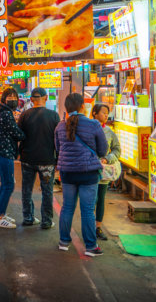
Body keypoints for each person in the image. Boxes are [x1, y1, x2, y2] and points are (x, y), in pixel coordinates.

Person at [55, 93, 108, 257]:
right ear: (82, 106)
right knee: (87, 211)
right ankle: (91, 246)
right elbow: (103, 150)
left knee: (67, 207)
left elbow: (58, 149)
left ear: (66, 108)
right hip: (88, 174)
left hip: (68, 174)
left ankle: (64, 241)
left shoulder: (60, 126)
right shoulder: (93, 124)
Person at [17, 87, 61, 228]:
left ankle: (28, 217)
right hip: (47, 160)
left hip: (27, 159)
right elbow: (58, 139)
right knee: (47, 190)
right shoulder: (54, 116)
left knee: (27, 189)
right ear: (46, 98)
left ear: (31, 100)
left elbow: (19, 136)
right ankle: (47, 221)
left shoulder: (24, 115)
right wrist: (58, 158)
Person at [0, 88, 26, 228]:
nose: (13, 99)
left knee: (6, 185)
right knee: (8, 185)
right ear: (4, 99)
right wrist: (24, 133)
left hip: (1, 152)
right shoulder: (6, 114)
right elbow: (17, 134)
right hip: (3, 153)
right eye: (9, 96)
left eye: (14, 96)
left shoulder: (3, 112)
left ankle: (1, 214)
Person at [91, 104, 121, 241]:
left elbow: (117, 150)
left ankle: (98, 227)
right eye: (103, 112)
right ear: (94, 113)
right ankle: (89, 226)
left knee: (101, 199)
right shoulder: (87, 129)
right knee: (91, 199)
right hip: (89, 170)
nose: (105, 115)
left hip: (103, 173)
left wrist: (107, 159)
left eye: (107, 113)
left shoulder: (109, 131)